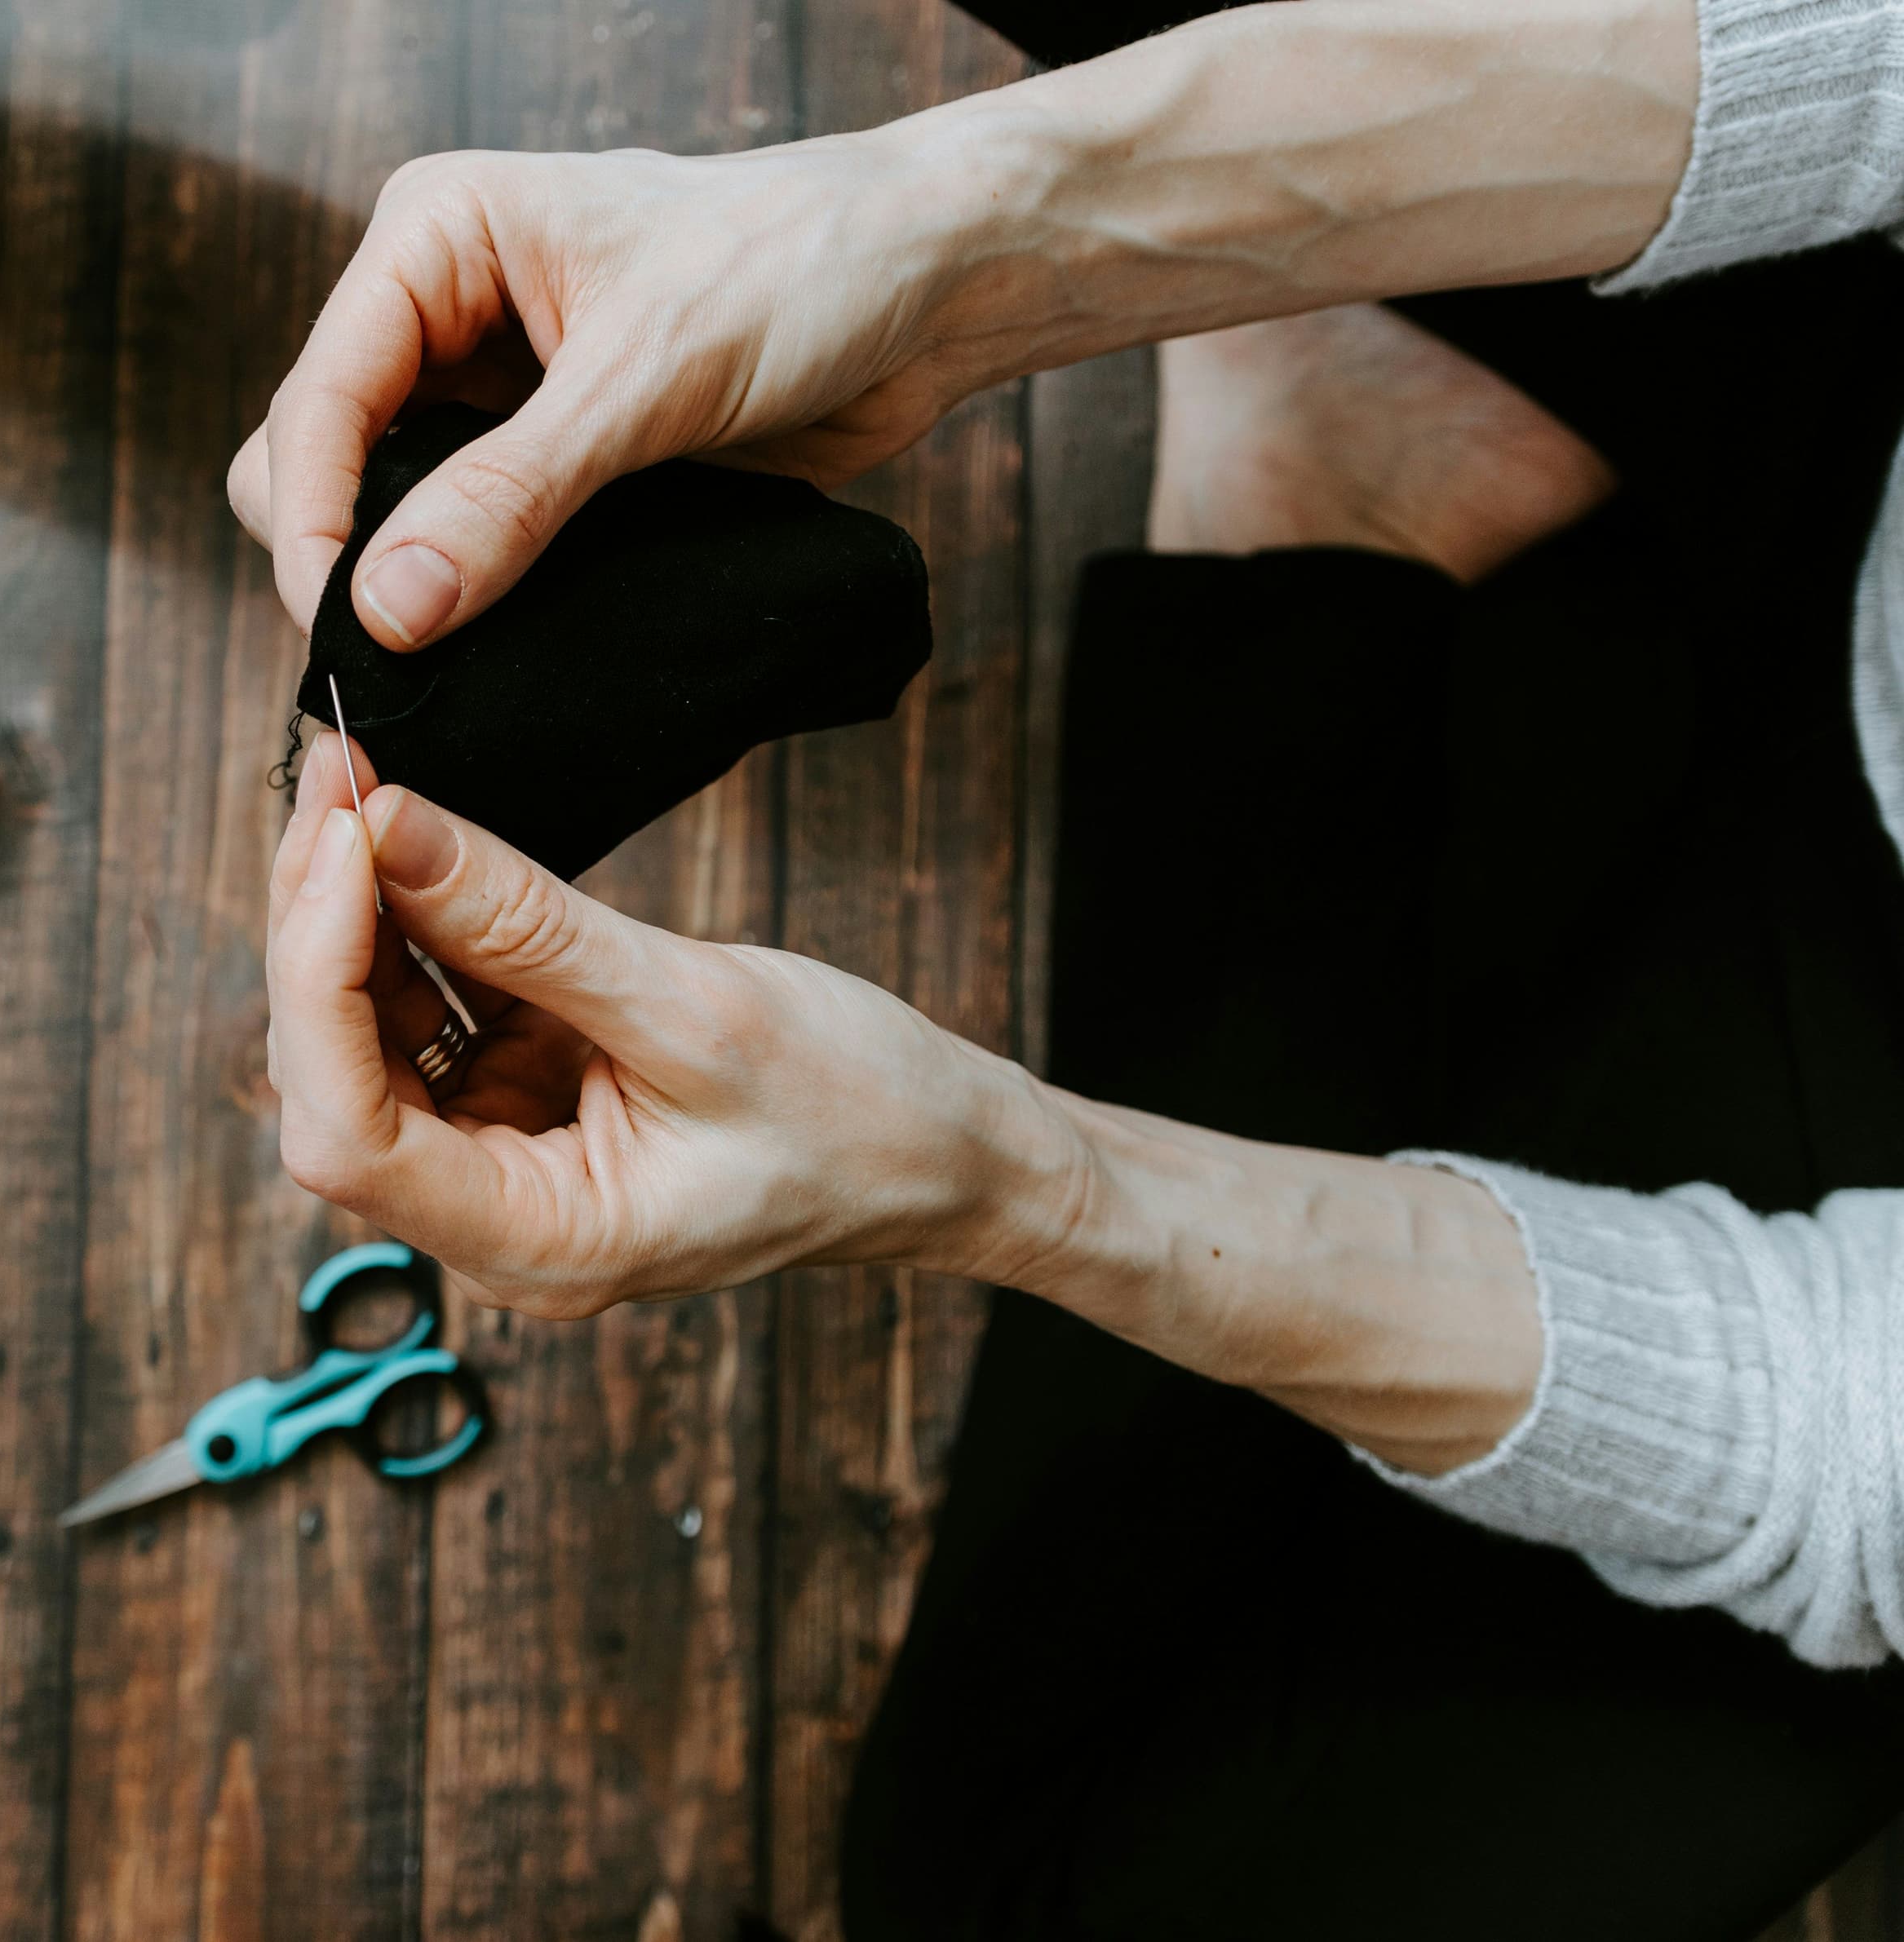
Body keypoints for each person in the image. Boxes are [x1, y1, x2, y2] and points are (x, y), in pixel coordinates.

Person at [237, 0, 1904, 1934]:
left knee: (1024, 1901)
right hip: (1789, 240)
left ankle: (1332, 549)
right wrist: (951, 233)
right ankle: (1361, 398)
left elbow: (1842, 1434)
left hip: (1845, 1114)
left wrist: (1018, 1179)